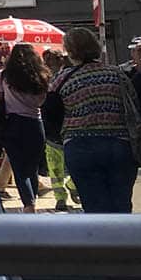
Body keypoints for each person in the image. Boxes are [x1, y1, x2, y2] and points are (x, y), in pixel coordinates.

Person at [47, 27, 141, 213]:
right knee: (121, 204)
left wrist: (63, 136)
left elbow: (50, 115)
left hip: (81, 147)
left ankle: (100, 240)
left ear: (70, 51)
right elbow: (134, 107)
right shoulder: (117, 74)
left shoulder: (61, 79)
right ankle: (125, 240)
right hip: (120, 146)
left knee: (94, 207)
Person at [0, 44, 49, 211]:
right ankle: (33, 201)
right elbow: (43, 101)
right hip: (35, 124)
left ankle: (28, 204)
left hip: (12, 124)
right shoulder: (41, 76)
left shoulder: (4, 76)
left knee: (18, 167)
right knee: (32, 167)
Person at [41, 50, 78, 211]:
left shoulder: (68, 76)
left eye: (51, 59)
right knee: (54, 168)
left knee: (76, 165)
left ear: (60, 59)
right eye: (45, 59)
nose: (48, 62)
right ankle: (60, 198)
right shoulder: (42, 78)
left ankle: (72, 185)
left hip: (70, 128)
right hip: (51, 131)